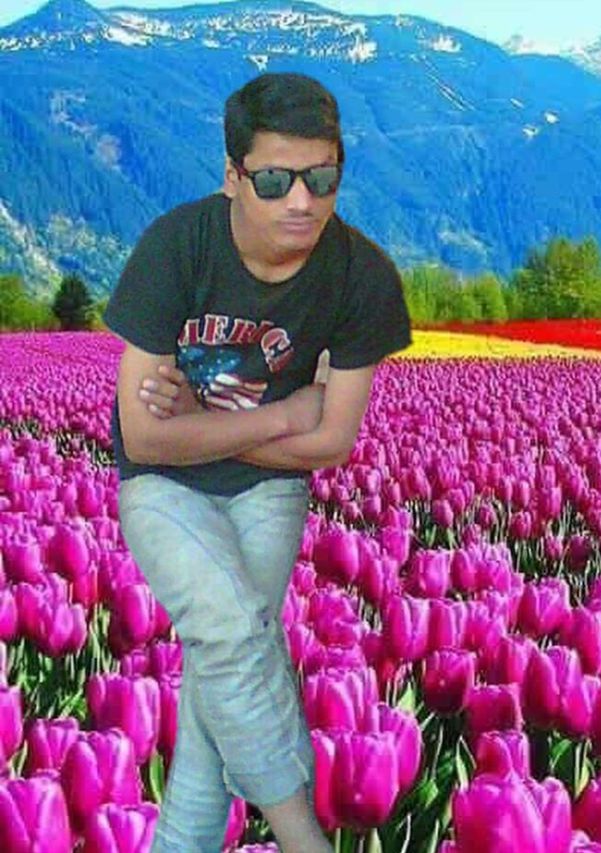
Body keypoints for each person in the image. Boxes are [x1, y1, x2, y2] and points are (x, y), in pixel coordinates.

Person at [103, 72, 412, 853]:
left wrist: (200, 422)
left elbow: (332, 442)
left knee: (220, 669)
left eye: (322, 178)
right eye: (275, 180)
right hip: (163, 486)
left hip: (270, 490)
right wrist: (280, 414)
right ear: (233, 175)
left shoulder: (362, 275)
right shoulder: (176, 246)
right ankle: (303, 837)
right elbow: (144, 438)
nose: (301, 201)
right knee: (237, 630)